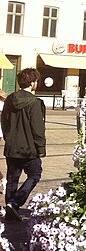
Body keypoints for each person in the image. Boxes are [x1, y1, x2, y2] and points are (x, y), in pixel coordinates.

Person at [1, 68, 46, 221]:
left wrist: (9, 138)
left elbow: (4, 123)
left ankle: (10, 213)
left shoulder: (9, 99)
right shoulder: (35, 102)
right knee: (34, 175)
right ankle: (15, 203)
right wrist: (41, 148)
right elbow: (38, 129)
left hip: (12, 147)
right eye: (36, 81)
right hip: (29, 149)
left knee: (12, 178)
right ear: (33, 83)